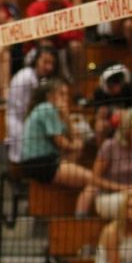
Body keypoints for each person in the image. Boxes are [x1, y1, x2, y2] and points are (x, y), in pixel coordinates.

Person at [19, 78, 94, 215]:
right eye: (61, 94)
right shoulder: (46, 108)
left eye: (67, 94)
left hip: (46, 161)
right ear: (50, 96)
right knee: (93, 181)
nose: (65, 98)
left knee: (79, 156)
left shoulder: (54, 112)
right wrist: (74, 145)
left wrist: (66, 116)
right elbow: (62, 142)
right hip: (41, 163)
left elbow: (75, 137)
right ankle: (79, 222)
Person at [25, 0, 84, 86]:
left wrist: (52, 33)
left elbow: (78, 34)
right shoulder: (35, 7)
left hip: (63, 51)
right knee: (46, 45)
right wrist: (60, 32)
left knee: (76, 46)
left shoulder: (69, 8)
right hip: (36, 52)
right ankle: (40, 87)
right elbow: (34, 35)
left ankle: (77, 91)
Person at [5, 46, 58, 165]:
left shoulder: (33, 76)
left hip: (21, 122)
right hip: (19, 123)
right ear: (36, 61)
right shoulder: (28, 77)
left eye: (51, 63)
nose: (49, 67)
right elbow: (28, 109)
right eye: (45, 62)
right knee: (21, 161)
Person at [91, 110, 132, 220]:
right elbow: (94, 179)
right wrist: (123, 188)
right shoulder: (110, 146)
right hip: (108, 197)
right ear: (127, 129)